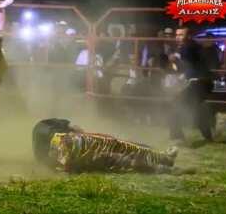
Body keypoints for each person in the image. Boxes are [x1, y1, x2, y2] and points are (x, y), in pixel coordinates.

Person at [33, 119, 178, 173]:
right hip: (70, 143)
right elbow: (75, 127)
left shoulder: (40, 132)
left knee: (112, 158)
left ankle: (162, 166)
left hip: (68, 158)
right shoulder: (49, 125)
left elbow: (53, 165)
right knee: (119, 146)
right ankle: (163, 159)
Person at [168, 27, 215, 141]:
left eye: (181, 35)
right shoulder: (191, 47)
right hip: (202, 83)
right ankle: (207, 135)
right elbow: (189, 67)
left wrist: (174, 59)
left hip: (199, 83)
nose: (178, 37)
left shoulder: (188, 47)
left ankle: (177, 136)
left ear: (188, 36)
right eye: (177, 34)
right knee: (196, 109)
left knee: (175, 104)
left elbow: (184, 62)